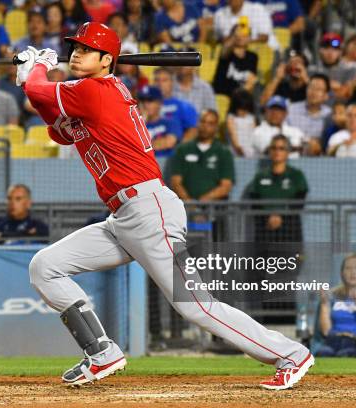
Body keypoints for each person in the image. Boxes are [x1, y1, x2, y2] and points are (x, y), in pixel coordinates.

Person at [17, 21, 314, 389]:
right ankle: (101, 352)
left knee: (195, 306)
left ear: (107, 60)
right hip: (124, 217)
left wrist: (38, 71)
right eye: (74, 48)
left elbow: (41, 91)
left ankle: (290, 354)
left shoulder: (96, 90)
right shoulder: (88, 95)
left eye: (85, 49)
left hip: (149, 210)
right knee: (45, 266)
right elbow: (56, 126)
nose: (76, 53)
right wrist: (31, 78)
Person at [247, 134, 308, 243]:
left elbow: (299, 202)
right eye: (273, 148)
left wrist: (280, 216)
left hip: (290, 233)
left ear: (288, 152)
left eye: (281, 148)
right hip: (265, 233)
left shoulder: (296, 175)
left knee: (293, 260)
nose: (277, 152)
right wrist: (269, 217)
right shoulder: (260, 177)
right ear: (269, 151)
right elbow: (254, 203)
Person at [316, 253, 356, 358]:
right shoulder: (333, 296)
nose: (353, 272)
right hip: (333, 340)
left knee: (346, 354)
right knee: (323, 353)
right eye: (348, 268)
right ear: (342, 273)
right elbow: (325, 332)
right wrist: (324, 304)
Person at [171, 109, 234, 201]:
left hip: (214, 209)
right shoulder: (182, 150)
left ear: (216, 127)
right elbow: (175, 182)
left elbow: (226, 186)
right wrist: (190, 204)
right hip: (186, 207)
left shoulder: (224, 152)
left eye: (210, 123)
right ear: (198, 123)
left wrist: (202, 202)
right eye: (203, 122)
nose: (205, 126)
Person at [287, 73, 331, 156]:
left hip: (320, 159)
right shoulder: (291, 110)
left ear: (326, 96)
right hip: (293, 155)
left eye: (318, 89)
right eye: (311, 88)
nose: (313, 92)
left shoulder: (329, 115)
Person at [308, 33, 356, 102]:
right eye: (326, 48)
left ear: (340, 52)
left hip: (339, 109)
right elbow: (310, 95)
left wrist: (320, 89)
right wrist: (337, 86)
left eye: (335, 49)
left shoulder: (350, 68)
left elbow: (346, 94)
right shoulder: (312, 69)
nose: (330, 52)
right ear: (320, 50)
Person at [212, 20, 258, 96]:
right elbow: (225, 49)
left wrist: (239, 94)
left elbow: (251, 80)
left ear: (249, 38)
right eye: (239, 34)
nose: (241, 36)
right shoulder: (227, 53)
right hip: (222, 93)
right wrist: (234, 36)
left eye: (245, 34)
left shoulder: (253, 57)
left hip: (240, 95)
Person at [154, 67, 197, 142]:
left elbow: (192, 131)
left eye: (164, 80)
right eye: (157, 80)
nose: (160, 84)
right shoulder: (143, 106)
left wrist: (178, 150)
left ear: (172, 83)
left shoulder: (183, 106)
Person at [139, 86, 181, 158]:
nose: (145, 105)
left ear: (160, 103)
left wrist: (141, 147)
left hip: (165, 163)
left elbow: (169, 142)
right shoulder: (135, 125)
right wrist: (142, 121)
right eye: (143, 101)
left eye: (150, 100)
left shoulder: (170, 122)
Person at [225, 87, 257, 157]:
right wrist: (240, 151)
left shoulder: (251, 118)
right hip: (235, 152)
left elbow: (254, 135)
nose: (244, 111)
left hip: (250, 152)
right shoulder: (231, 118)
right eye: (241, 109)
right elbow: (233, 137)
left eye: (246, 109)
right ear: (235, 106)